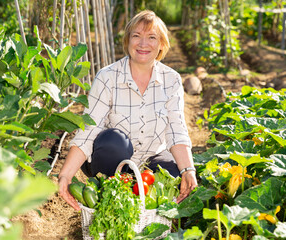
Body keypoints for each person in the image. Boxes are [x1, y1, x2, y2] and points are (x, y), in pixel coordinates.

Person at [58, 10, 198, 211]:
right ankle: (110, 198)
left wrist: (188, 170)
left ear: (161, 44)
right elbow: (89, 129)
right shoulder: (107, 77)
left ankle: (149, 215)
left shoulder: (171, 79)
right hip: (112, 161)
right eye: (136, 36)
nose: (143, 44)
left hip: (151, 159)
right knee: (113, 142)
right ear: (127, 41)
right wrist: (65, 175)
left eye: (151, 37)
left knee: (175, 174)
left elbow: (176, 129)